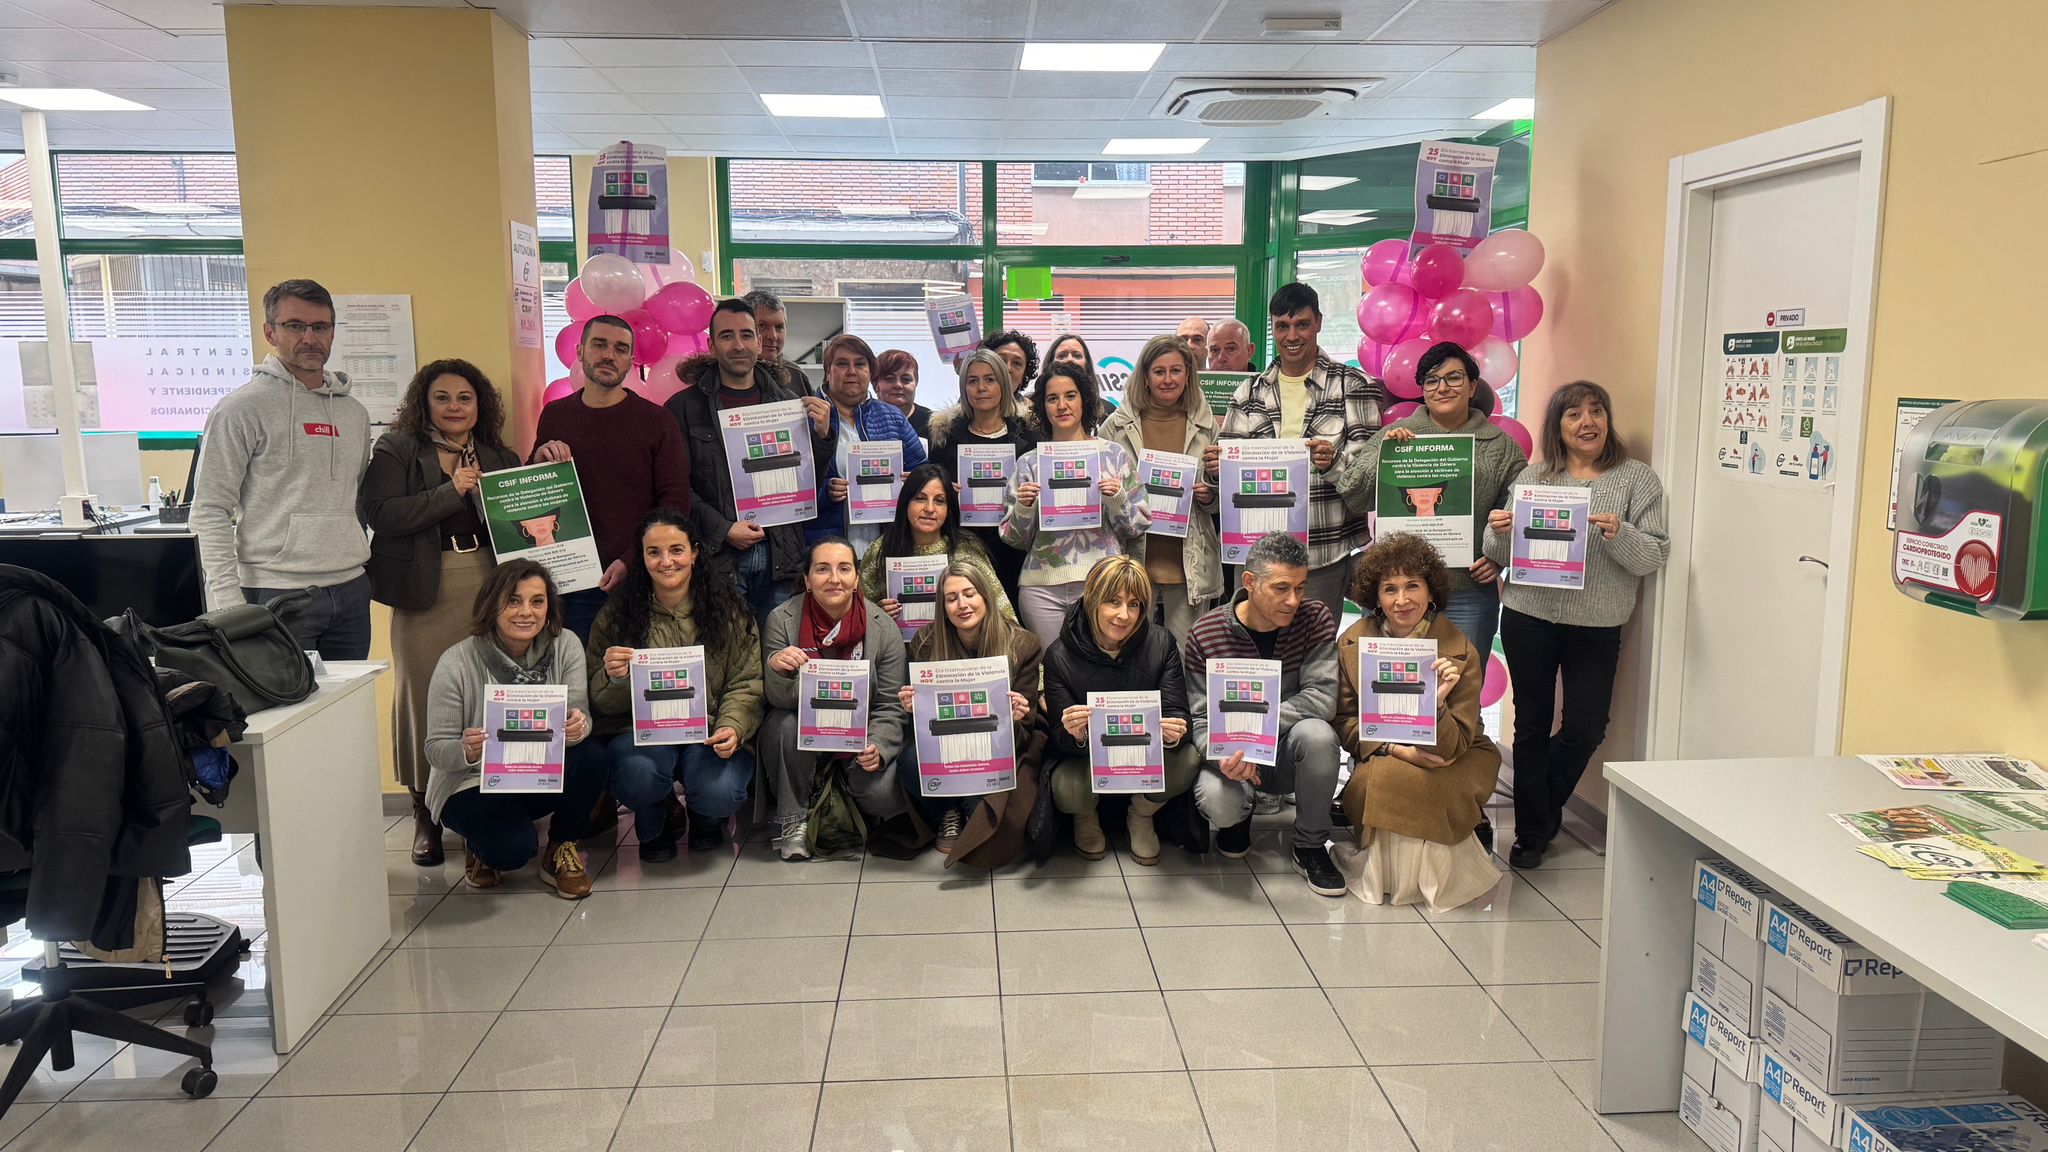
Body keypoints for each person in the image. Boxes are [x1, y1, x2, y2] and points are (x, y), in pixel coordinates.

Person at [1483, 380, 1669, 870]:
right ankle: (1531, 833)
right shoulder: (1534, 477)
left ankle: (1540, 810)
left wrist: (1619, 533)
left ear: (1608, 419)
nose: (1587, 422)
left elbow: (1652, 555)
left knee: (1586, 728)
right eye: (1574, 414)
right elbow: (1500, 553)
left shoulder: (1636, 480)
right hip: (1529, 617)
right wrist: (1497, 531)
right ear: (1558, 426)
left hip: (1597, 623)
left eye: (1596, 411)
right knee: (1531, 725)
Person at [359, 358, 520, 867]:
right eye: (443, 397)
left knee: (485, 695)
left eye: (465, 398)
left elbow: (522, 518)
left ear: (480, 405)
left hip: (487, 581)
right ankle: (424, 813)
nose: (454, 406)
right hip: (423, 587)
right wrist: (452, 491)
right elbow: (381, 513)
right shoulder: (397, 449)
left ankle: (478, 812)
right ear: (424, 403)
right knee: (422, 696)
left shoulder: (498, 455)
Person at [190, 278, 372, 658]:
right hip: (274, 593)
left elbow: (355, 497)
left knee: (351, 697)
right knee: (284, 699)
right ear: (270, 332)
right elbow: (209, 509)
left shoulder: (354, 413)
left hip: (351, 589)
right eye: (295, 326)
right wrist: (228, 602)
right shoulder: (241, 409)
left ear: (333, 332)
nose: (309, 338)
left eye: (320, 327)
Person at [1339, 341, 1526, 689]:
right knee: (1392, 694)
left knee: (1462, 693)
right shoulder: (1396, 438)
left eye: (1454, 378)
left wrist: (1497, 558)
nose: (1442, 387)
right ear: (1422, 389)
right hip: (1399, 594)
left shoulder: (1501, 447)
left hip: (1467, 593)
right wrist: (1384, 454)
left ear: (1472, 386)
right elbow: (1353, 495)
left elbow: (1516, 513)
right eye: (1431, 380)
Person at [1335, 534, 1503, 912]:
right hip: (1383, 748)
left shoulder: (1460, 649)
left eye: (1413, 585)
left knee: (1434, 781)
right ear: (1376, 597)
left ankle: (1423, 881)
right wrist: (1397, 750)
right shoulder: (1352, 642)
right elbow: (1344, 722)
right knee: (1389, 775)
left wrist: (1437, 704)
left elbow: (1453, 746)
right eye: (1389, 589)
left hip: (1458, 750)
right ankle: (1394, 877)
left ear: (1431, 592)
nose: (1402, 600)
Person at [423, 559, 607, 898]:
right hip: (473, 781)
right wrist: (465, 750)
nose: (526, 612)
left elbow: (581, 715)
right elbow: (435, 749)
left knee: (592, 756)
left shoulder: (565, 644)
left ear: (549, 607)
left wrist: (578, 727)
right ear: (491, 605)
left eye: (537, 601)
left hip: (537, 772)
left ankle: (561, 848)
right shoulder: (456, 662)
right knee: (513, 851)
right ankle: (479, 844)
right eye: (513, 601)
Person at [588, 510, 762, 862]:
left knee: (720, 790)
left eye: (676, 550)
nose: (666, 561)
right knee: (637, 774)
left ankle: (706, 821)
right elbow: (601, 704)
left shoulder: (730, 610)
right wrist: (615, 678)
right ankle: (653, 823)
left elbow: (747, 681)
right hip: (640, 735)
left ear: (695, 552)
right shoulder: (615, 615)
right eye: (654, 552)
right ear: (642, 557)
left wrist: (732, 726)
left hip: (709, 729)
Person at [1208, 284, 1382, 628]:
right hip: (1255, 552)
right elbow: (1225, 481)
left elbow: (1368, 479)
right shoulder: (1249, 391)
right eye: (1282, 326)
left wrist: (1333, 463)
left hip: (1322, 553)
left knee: (1313, 648)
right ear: (1272, 328)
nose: (1292, 336)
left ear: (1318, 322)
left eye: (1302, 324)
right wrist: (1216, 469)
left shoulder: (1352, 385)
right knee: (1253, 647)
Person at [1184, 531, 1345, 896]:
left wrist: (1257, 728)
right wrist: (1221, 757)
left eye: (1300, 588)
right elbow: (1199, 718)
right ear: (1250, 582)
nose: (1293, 600)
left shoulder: (1315, 618)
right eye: (1281, 588)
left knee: (1319, 736)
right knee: (1218, 801)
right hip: (1234, 756)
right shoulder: (1206, 632)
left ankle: (1310, 846)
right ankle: (1238, 818)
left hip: (1288, 752)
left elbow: (1322, 698)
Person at [668, 299, 834, 624]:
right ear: (711, 345)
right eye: (727, 336)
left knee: (780, 648)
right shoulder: (683, 408)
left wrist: (823, 437)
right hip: (720, 559)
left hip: (780, 556)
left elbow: (806, 485)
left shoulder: (789, 403)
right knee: (726, 648)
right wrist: (724, 529)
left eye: (746, 335)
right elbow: (677, 488)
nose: (738, 345)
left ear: (758, 342)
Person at [530, 315, 693, 640]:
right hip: (569, 580)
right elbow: (531, 493)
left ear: (630, 360)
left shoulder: (657, 421)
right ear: (580, 352)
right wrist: (537, 460)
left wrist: (631, 560)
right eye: (599, 345)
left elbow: (675, 504)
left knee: (632, 669)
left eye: (620, 349)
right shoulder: (555, 415)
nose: (609, 355)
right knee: (576, 668)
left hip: (638, 579)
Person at [759, 538, 909, 861]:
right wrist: (777, 669)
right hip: (801, 733)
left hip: (860, 735)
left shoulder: (882, 627)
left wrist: (879, 745)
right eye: (822, 569)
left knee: (884, 795)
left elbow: (889, 704)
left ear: (856, 578)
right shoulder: (781, 619)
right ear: (807, 579)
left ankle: (841, 800)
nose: (834, 579)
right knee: (783, 724)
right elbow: (776, 699)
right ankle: (793, 819)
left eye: (844, 569)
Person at [1042, 557, 1198, 865]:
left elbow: (1179, 712)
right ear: (1092, 599)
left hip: (1144, 755)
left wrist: (1175, 732)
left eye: (1134, 604)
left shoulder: (1161, 642)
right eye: (1113, 601)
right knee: (1066, 786)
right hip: (1088, 760)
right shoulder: (1058, 655)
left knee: (1188, 759)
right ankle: (1085, 817)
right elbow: (1059, 740)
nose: (1124, 615)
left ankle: (1140, 814)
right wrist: (1075, 734)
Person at [893, 563, 1042, 858]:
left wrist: (1016, 717)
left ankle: (964, 806)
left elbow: (1025, 733)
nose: (962, 605)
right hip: (945, 742)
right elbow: (922, 727)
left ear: (985, 596)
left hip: (998, 746)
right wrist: (913, 707)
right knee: (909, 763)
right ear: (943, 606)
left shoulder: (1024, 643)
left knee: (984, 821)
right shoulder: (925, 642)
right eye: (951, 598)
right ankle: (947, 810)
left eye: (969, 594)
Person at [1001, 363, 1150, 649]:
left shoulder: (1113, 455)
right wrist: (1023, 508)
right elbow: (1014, 539)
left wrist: (1117, 498)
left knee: (1103, 668)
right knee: (1054, 670)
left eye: (1070, 395)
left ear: (1085, 399)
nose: (1062, 405)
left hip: (1103, 583)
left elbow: (1138, 526)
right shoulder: (1029, 463)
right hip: (1041, 589)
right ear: (1043, 407)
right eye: (1052, 398)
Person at [1099, 334, 1221, 638]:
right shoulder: (1115, 427)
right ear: (1145, 376)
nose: (1168, 379)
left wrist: (1209, 495)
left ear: (1188, 375)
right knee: (1129, 652)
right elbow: (1098, 497)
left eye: (1176, 371)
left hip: (1189, 563)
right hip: (1132, 559)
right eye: (1159, 371)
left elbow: (1221, 500)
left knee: (1184, 655)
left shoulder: (1207, 425)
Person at [927, 348, 1038, 598]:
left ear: (1003, 384)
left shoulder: (1030, 437)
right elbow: (932, 493)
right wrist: (943, 491)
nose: (981, 388)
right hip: (962, 547)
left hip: (1014, 551)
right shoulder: (945, 438)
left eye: (990, 379)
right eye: (973, 381)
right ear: (964, 387)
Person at [858, 462, 1016, 627]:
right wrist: (877, 615)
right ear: (905, 503)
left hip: (962, 642)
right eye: (920, 498)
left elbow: (1003, 611)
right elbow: (858, 614)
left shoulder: (967, 549)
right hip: (897, 643)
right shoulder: (881, 550)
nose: (929, 508)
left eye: (939, 501)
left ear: (948, 510)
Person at [813, 333, 929, 555]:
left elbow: (924, 472)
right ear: (828, 371)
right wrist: (825, 492)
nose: (852, 371)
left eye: (860, 364)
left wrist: (912, 482)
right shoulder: (808, 417)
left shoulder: (892, 416)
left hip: (886, 546)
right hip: (827, 550)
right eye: (842, 364)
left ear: (870, 372)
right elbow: (790, 492)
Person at [742, 287, 808, 396]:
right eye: (762, 326)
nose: (773, 336)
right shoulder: (727, 374)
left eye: (779, 327)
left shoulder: (796, 375)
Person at [876, 349, 932, 441]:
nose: (898, 385)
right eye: (889, 379)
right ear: (875, 385)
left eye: (906, 379)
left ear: (916, 383)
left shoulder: (935, 427)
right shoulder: (860, 424)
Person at [979, 330, 1039, 407]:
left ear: (1023, 375)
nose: (1007, 368)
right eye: (1001, 360)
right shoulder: (968, 407)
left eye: (1016, 363)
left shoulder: (1032, 412)